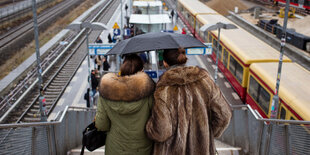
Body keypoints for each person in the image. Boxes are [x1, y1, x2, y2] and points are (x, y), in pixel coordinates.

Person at [146, 48, 232, 155]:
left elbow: (162, 131)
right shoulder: (205, 81)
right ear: (184, 59)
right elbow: (224, 115)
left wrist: (149, 129)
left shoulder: (163, 90)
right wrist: (205, 133)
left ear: (165, 63)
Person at [95, 54, 155, 155]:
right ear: (141, 71)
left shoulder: (107, 92)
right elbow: (155, 121)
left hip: (115, 148)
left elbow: (102, 125)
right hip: (142, 148)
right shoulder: (148, 92)